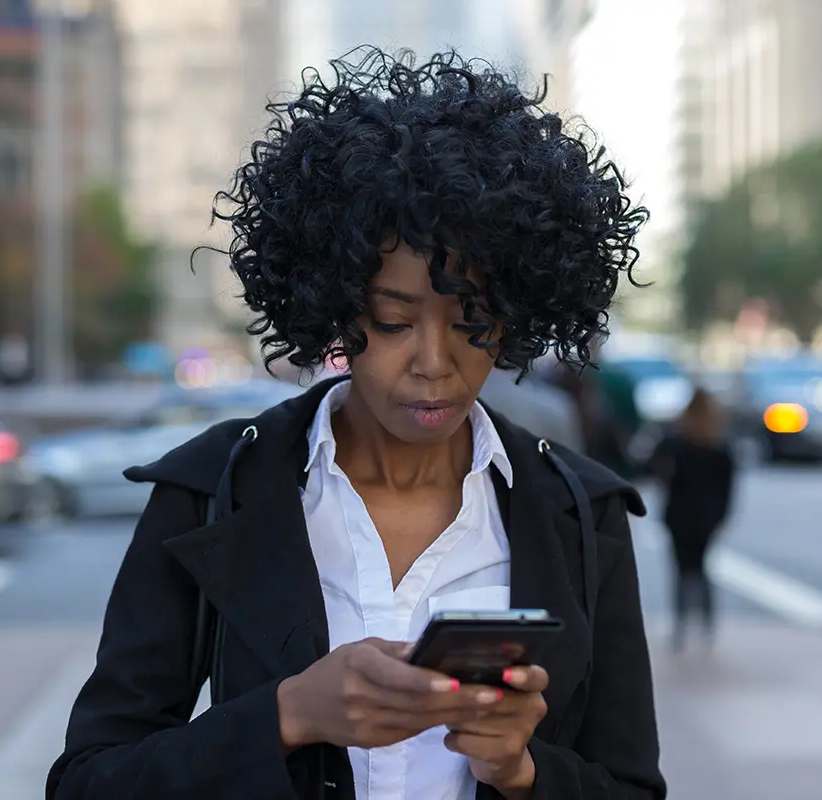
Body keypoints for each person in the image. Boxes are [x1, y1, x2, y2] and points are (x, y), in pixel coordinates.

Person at [47, 47, 665, 800]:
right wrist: (287, 715)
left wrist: (520, 770)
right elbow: (88, 783)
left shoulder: (580, 514)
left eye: (472, 321)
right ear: (335, 310)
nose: (433, 361)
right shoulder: (212, 489)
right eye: (393, 321)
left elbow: (631, 788)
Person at [650, 388, 735, 652]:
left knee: (681, 569)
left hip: (679, 515)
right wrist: (720, 517)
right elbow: (727, 489)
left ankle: (681, 623)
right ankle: (706, 623)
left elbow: (653, 467)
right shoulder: (718, 446)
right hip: (706, 517)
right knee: (701, 568)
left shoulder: (676, 443)